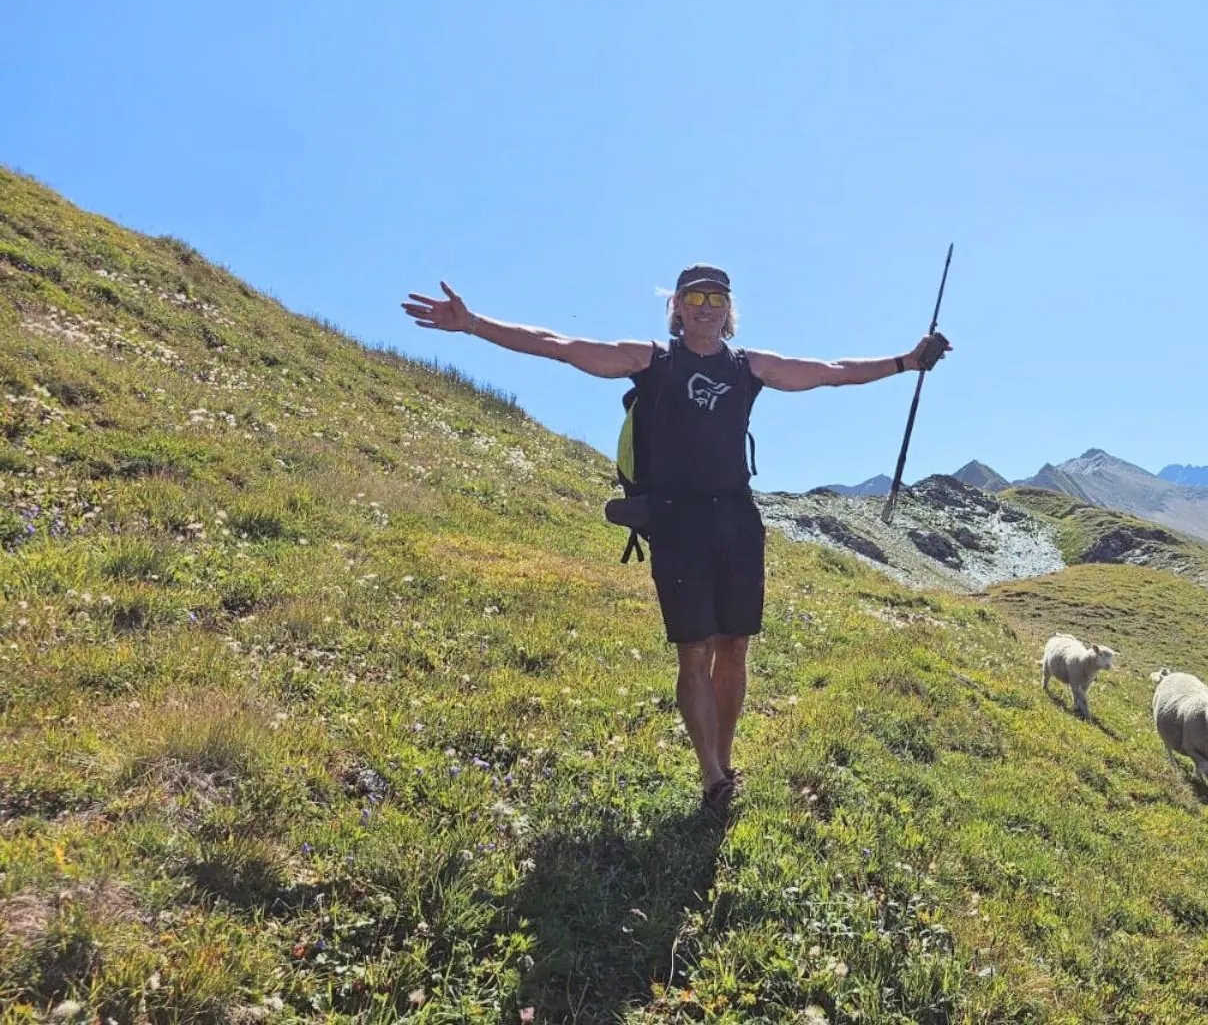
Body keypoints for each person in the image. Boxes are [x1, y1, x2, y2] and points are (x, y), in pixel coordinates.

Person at [401, 263, 952, 816]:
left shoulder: (749, 367)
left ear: (728, 310)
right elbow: (558, 345)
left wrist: (905, 362)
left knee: (735, 645)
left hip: (737, 517)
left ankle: (724, 761)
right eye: (695, 296)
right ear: (679, 307)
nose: (706, 305)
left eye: (717, 297)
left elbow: (831, 371)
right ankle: (711, 775)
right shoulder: (651, 361)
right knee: (696, 648)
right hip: (676, 520)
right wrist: (473, 324)